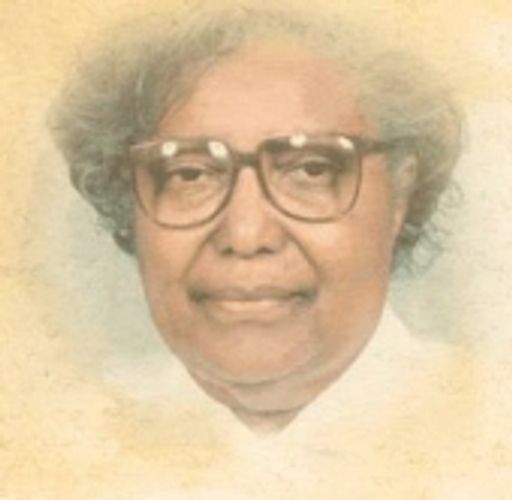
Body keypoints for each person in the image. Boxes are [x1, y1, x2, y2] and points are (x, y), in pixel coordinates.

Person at [48, 3, 463, 433]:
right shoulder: (63, 433)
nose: (245, 235)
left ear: (400, 194)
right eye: (190, 174)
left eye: (311, 170)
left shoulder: (486, 418)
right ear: (128, 198)